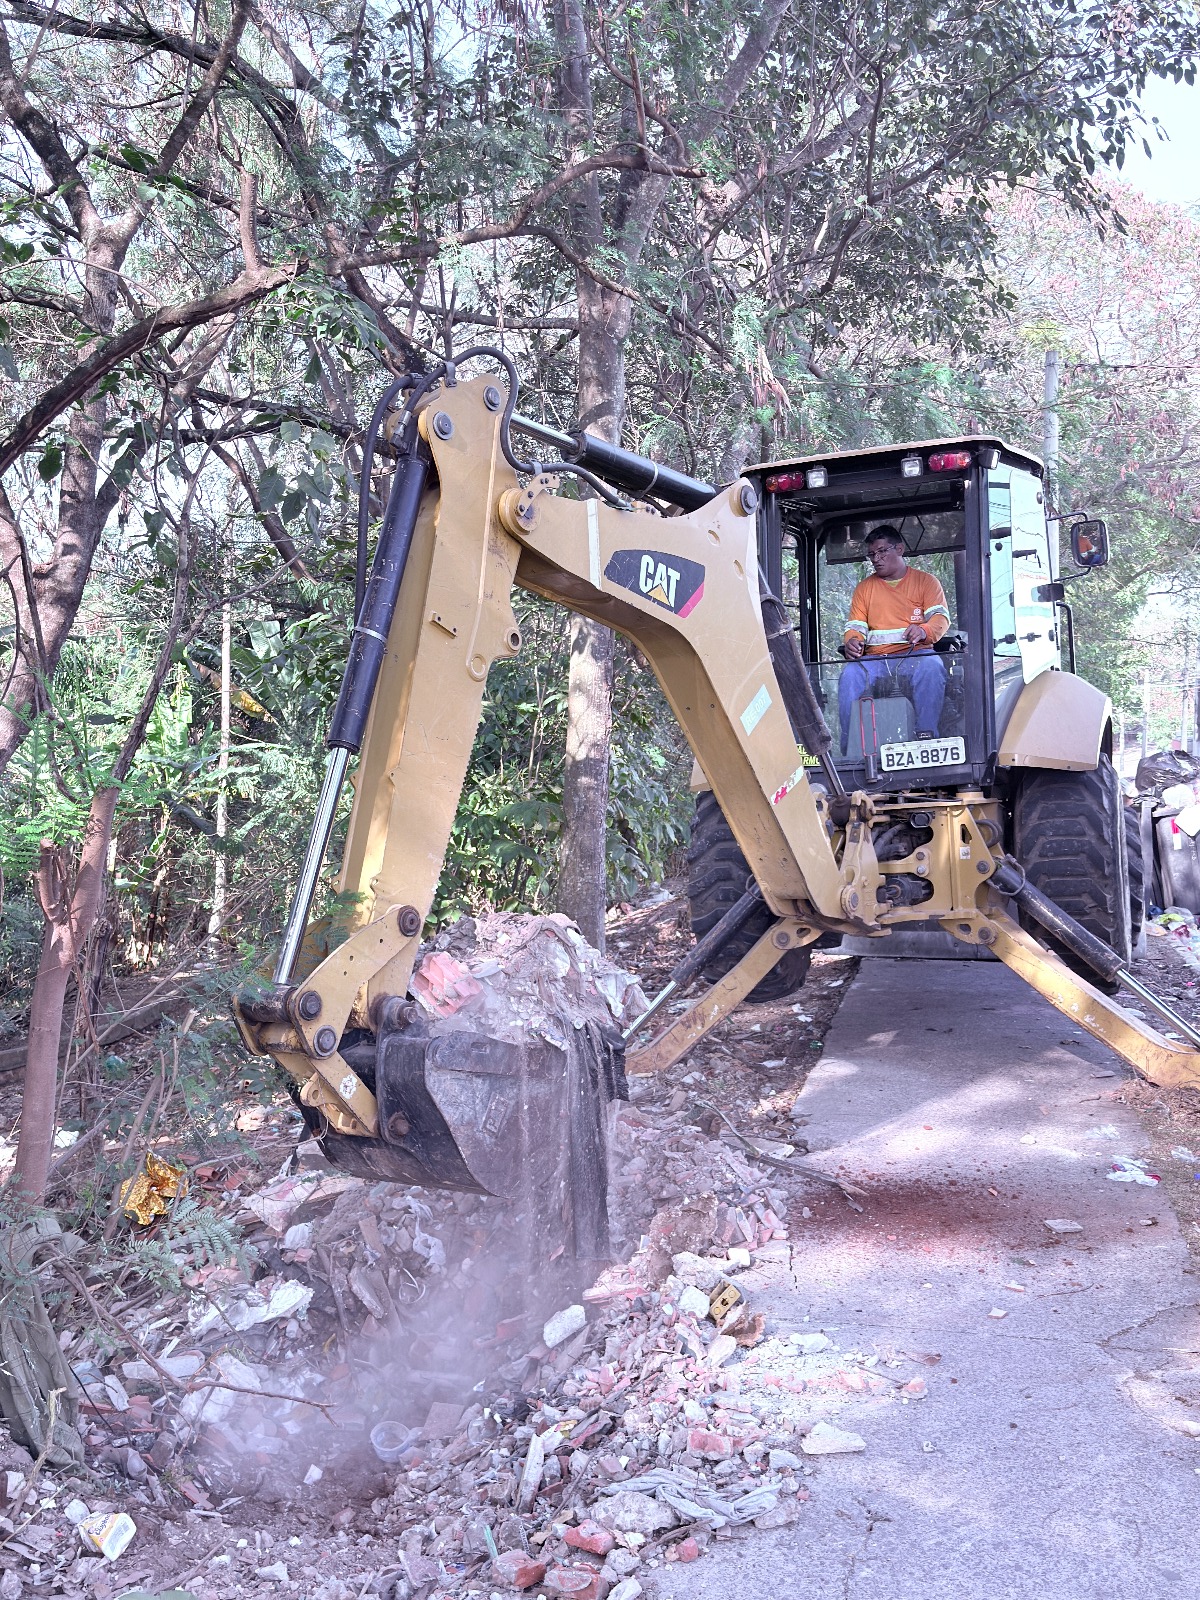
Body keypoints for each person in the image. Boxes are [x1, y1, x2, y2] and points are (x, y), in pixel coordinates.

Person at [837, 525, 950, 752]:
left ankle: (926, 737)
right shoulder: (864, 588)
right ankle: (850, 744)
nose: (876, 559)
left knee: (932, 667)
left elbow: (940, 618)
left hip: (915, 654)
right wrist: (852, 640)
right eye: (872, 554)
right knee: (849, 676)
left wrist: (924, 631)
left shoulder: (926, 582)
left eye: (882, 552)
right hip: (874, 661)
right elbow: (855, 626)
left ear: (899, 549)